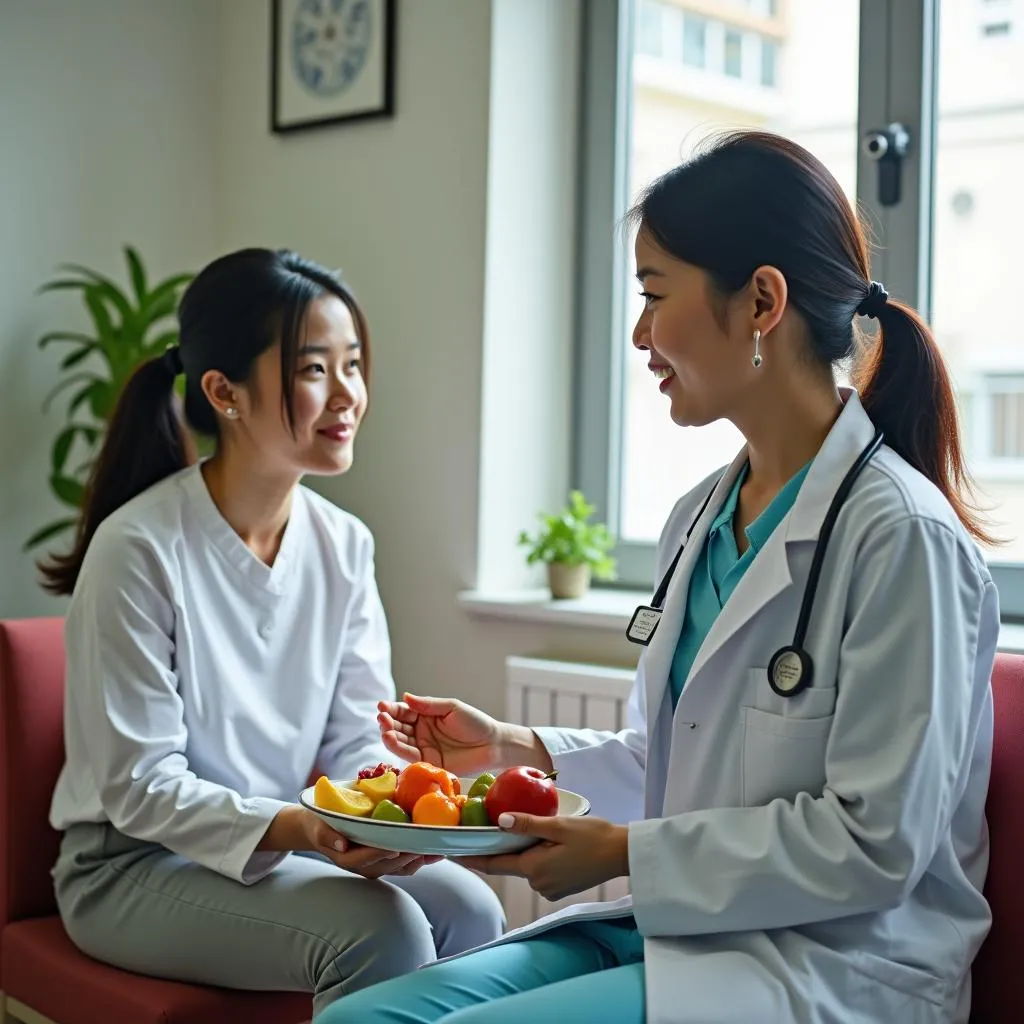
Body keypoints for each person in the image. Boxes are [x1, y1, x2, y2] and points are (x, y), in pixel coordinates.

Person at [318, 131, 1000, 1024]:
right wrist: (511, 749)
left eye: (654, 296)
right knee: (356, 1019)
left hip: (834, 965)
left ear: (762, 300)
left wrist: (623, 855)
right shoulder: (701, 518)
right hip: (688, 930)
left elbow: (874, 846)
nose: (639, 335)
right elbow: (673, 762)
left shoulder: (903, 540)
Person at [43, 248, 504, 1017]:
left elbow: (356, 740)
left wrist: (385, 816)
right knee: (379, 932)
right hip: (129, 865)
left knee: (473, 908)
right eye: (314, 369)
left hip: (279, 841)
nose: (347, 394)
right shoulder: (140, 549)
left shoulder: (344, 544)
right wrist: (303, 828)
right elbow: (140, 788)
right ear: (223, 392)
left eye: (353, 364)